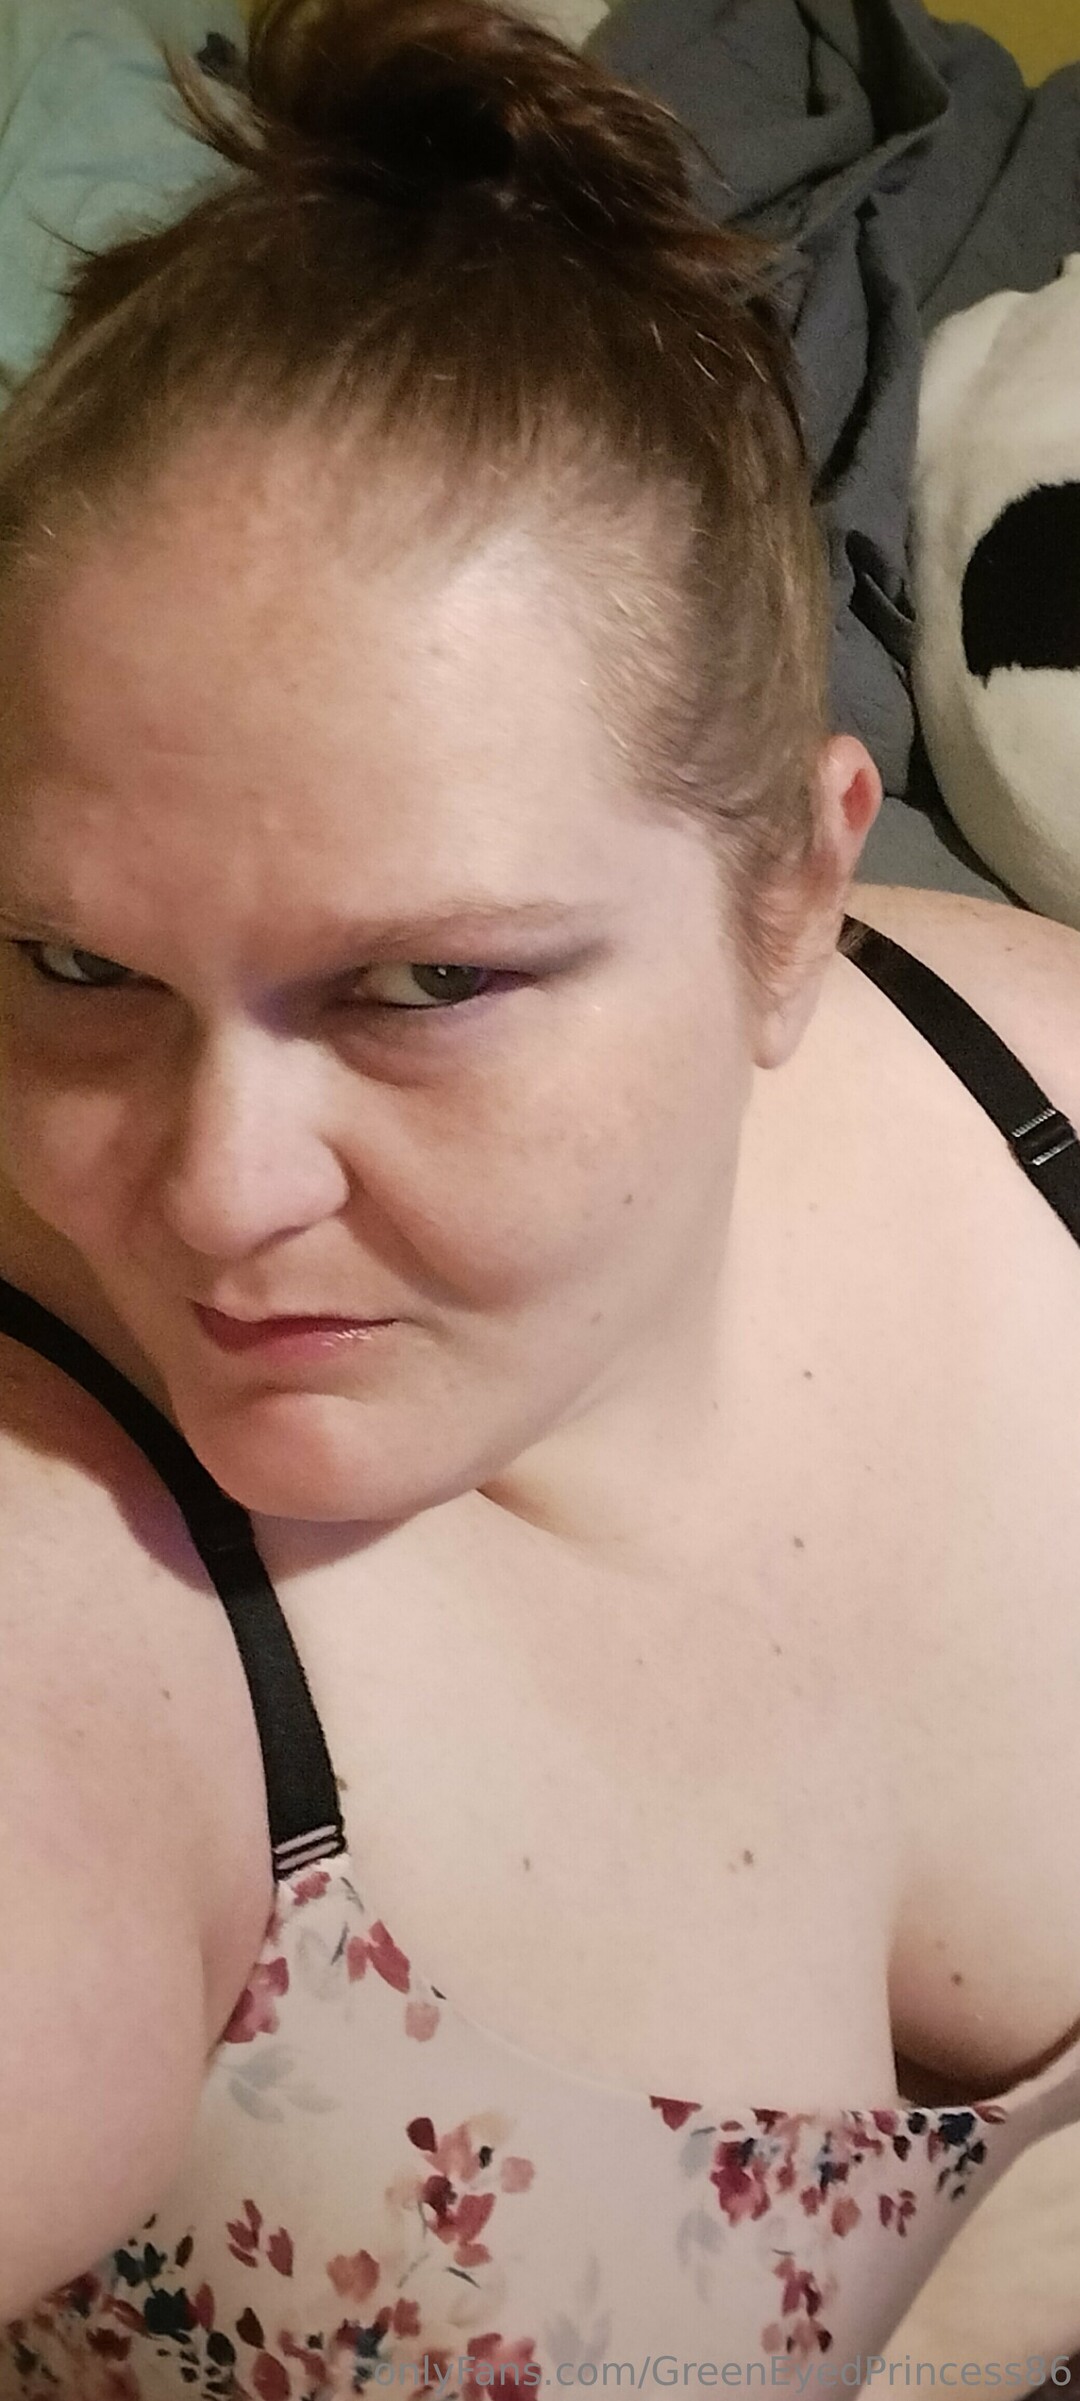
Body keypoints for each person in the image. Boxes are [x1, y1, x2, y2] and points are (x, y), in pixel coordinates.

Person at [1, 0, 1079, 2386]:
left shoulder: (1050, 1100)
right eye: (75, 966)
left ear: (796, 900)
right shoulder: (63, 1593)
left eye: (420, 982)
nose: (211, 1188)